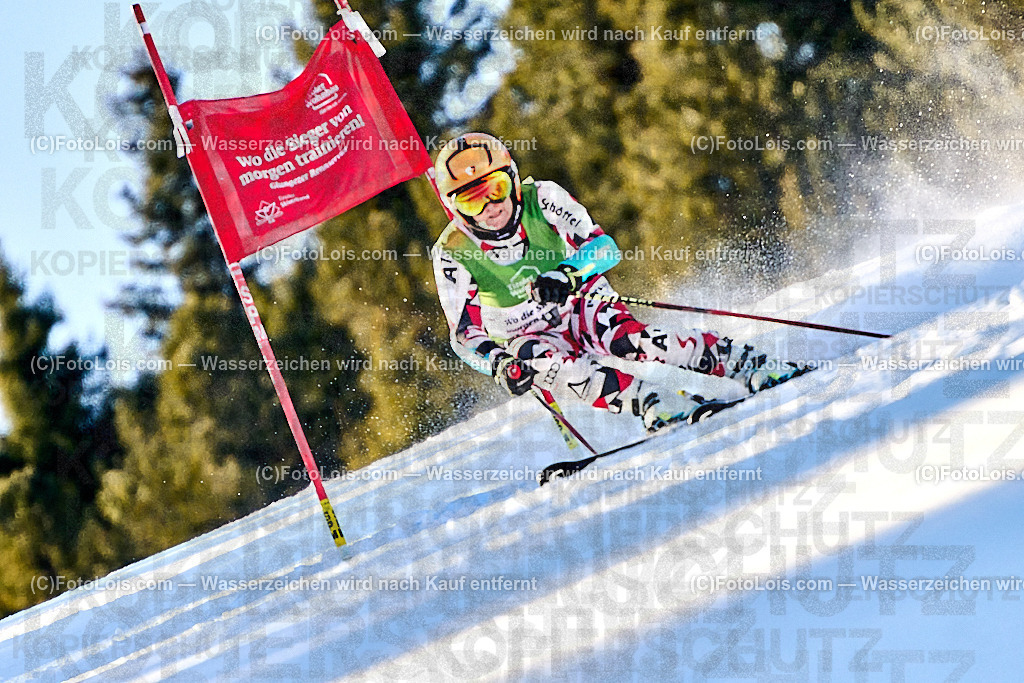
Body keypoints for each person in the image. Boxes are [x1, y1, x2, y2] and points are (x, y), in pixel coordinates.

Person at [430, 133, 807, 433]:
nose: (491, 208)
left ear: (512, 179)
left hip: (577, 301)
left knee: (629, 341)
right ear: (454, 208)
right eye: (472, 201)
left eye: (495, 189)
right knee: (550, 366)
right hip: (522, 332)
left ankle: (747, 363)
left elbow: (604, 248)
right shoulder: (452, 251)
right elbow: (464, 335)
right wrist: (497, 363)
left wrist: (567, 274)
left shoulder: (542, 198)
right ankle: (653, 401)